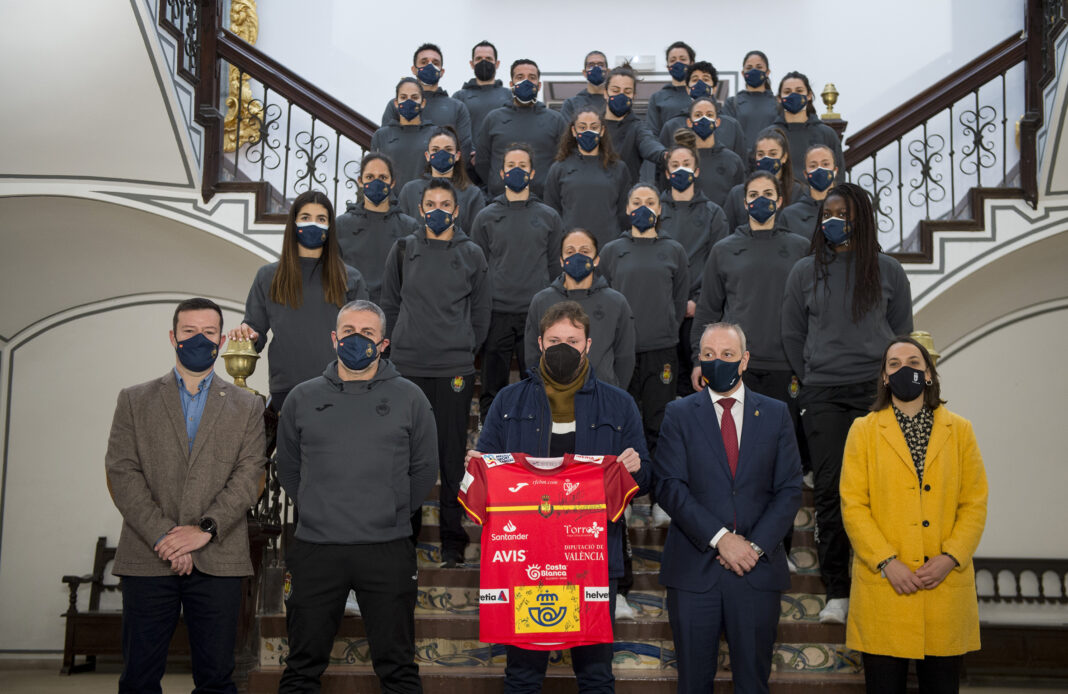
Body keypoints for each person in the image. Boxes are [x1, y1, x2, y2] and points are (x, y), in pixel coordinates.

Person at [472, 301, 652, 694]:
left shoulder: (619, 404)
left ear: (588, 344)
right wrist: (477, 467)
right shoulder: (507, 402)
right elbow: (486, 472)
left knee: (596, 675)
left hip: (592, 559)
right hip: (526, 564)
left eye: (572, 340)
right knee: (522, 675)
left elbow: (648, 478)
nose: (563, 347)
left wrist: (636, 467)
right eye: (554, 340)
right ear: (538, 343)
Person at [276, 300, 438, 694]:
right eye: (349, 332)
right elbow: (290, 471)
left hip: (386, 548)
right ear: (334, 338)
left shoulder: (411, 398)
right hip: (316, 548)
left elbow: (423, 473)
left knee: (398, 669)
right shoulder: (301, 397)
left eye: (367, 333)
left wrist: (391, 511)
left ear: (383, 343)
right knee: (300, 669)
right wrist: (318, 507)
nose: (357, 340)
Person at [105, 298, 266, 694]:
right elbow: (122, 473)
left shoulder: (248, 406)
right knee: (139, 679)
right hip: (148, 556)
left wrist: (204, 530)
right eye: (190, 331)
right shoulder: (134, 399)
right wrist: (165, 537)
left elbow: (249, 477)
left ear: (221, 339)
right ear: (173, 336)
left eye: (209, 333)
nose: (199, 339)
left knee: (216, 680)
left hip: (219, 557)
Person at [782, 182, 914, 624]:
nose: (832, 220)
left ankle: (878, 580)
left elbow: (901, 333)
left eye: (842, 212)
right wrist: (814, 371)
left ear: (861, 216)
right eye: (826, 214)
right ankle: (838, 590)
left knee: (880, 490)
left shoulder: (889, 270)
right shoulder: (804, 271)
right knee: (831, 490)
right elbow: (792, 334)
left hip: (875, 394)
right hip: (822, 394)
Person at [656, 321, 802, 694]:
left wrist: (752, 547)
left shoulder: (775, 413)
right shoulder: (679, 414)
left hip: (757, 570)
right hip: (693, 571)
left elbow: (788, 490)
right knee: (692, 684)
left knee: (753, 684)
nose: (716, 361)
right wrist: (721, 539)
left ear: (744, 360)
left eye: (726, 355)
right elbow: (671, 487)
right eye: (708, 355)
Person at [841, 336, 988, 694]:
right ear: (885, 378)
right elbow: (853, 504)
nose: (905, 369)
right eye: (894, 364)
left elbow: (975, 502)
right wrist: (887, 561)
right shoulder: (864, 430)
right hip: (886, 587)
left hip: (943, 588)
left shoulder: (961, 430)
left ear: (929, 374)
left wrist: (951, 557)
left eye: (914, 362)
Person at [690, 171, 810, 564]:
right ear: (744, 202)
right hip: (731, 368)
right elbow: (708, 309)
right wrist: (699, 357)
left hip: (783, 367)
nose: (760, 199)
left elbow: (810, 309)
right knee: (730, 461)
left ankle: (780, 547)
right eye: (753, 194)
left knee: (778, 465)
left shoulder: (799, 247)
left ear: (780, 200)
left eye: (768, 194)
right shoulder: (725, 249)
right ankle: (725, 542)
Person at [380, 178, 491, 568]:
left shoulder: (472, 253)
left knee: (449, 458)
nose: (438, 209)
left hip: (454, 369)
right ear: (420, 208)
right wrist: (394, 346)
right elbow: (390, 304)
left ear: (457, 211)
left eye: (446, 203)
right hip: (407, 366)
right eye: (431, 203)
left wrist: (463, 346)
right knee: (406, 455)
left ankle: (451, 542)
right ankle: (404, 537)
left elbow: (480, 312)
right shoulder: (403, 250)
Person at [232, 191, 368, 414]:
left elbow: (364, 336)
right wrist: (247, 334)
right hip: (286, 390)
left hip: (340, 388)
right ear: (293, 223)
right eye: (305, 217)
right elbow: (255, 330)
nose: (313, 224)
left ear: (330, 227)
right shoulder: (267, 276)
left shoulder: (351, 278)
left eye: (321, 219)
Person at [471, 143, 564, 417]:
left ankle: (535, 437)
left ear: (532, 172)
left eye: (522, 166)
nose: (516, 171)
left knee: (537, 384)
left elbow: (554, 267)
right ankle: (488, 436)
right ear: (501, 172)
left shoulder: (549, 217)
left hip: (535, 315)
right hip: (496, 313)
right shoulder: (486, 217)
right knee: (493, 386)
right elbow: (479, 269)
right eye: (511, 166)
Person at [599, 184, 689, 458]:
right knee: (620, 422)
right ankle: (623, 492)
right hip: (621, 350)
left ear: (659, 210)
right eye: (636, 202)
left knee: (658, 422)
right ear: (627, 209)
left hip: (661, 349)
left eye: (650, 202)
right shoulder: (612, 251)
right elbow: (604, 298)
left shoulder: (674, 250)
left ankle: (659, 495)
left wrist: (666, 329)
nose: (643, 207)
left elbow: (679, 299)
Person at [659, 133, 730, 398]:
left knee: (700, 389)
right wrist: (676, 303)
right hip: (663, 313)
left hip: (700, 312)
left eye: (686, 163)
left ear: (697, 170)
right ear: (667, 172)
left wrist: (698, 302)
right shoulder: (654, 212)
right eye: (675, 165)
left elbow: (719, 264)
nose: (681, 169)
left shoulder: (714, 213)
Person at [524, 229, 636, 389]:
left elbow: (625, 356)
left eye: (584, 251)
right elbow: (532, 354)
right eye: (570, 251)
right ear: (561, 260)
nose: (577, 256)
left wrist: (614, 393)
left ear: (596, 259)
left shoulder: (616, 302)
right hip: (553, 397)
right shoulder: (541, 300)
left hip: (602, 396)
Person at [476, 59, 569, 198]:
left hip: (543, 203)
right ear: (511, 84)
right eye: (520, 77)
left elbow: (564, 161)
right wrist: (497, 183)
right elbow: (482, 162)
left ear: (539, 85)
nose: (526, 81)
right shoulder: (493, 119)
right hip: (500, 202)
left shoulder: (556, 120)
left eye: (532, 77)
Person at [336, 153, 420, 305]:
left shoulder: (409, 227)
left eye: (382, 177)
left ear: (392, 182)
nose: (376, 182)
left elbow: (415, 278)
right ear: (360, 181)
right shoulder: (341, 225)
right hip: (352, 311)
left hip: (395, 313)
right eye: (369, 177)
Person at [544, 108, 631, 249]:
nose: (588, 131)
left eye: (594, 127)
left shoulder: (618, 168)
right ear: (574, 131)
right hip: (572, 248)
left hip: (609, 246)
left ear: (602, 131)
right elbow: (552, 212)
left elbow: (624, 213)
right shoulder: (559, 168)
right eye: (582, 127)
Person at [380, 43, 473, 157]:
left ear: (442, 71)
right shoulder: (396, 105)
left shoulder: (457, 107)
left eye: (435, 63)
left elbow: (464, 151)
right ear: (414, 69)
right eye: (424, 62)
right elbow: (384, 145)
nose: (430, 66)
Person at [397, 125, 486, 228]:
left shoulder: (472, 194)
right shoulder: (410, 191)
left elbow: (476, 236)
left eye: (448, 149)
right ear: (427, 156)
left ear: (457, 156)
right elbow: (401, 231)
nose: (441, 154)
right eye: (435, 150)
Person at [657, 62, 747, 163]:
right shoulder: (671, 126)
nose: (700, 83)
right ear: (687, 89)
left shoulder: (732, 126)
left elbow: (742, 166)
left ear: (715, 88)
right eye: (695, 80)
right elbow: (663, 167)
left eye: (706, 79)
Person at [723, 126, 805, 231]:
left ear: (784, 157)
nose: (766, 159)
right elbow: (727, 234)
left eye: (773, 154)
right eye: (761, 154)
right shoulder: (737, 194)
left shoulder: (799, 192)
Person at [772, 71, 845, 185]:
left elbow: (838, 177)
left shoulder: (826, 134)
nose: (793, 95)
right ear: (779, 98)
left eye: (799, 91)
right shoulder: (769, 135)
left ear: (809, 95)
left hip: (819, 200)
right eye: (787, 92)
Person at [602, 64, 668, 185]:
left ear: (634, 96)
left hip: (625, 197)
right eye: (615, 90)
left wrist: (665, 155)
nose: (621, 95)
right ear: (605, 93)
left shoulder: (638, 127)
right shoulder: (593, 125)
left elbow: (649, 144)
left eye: (627, 92)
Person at [370, 77, 436, 193]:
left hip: (425, 203)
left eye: (414, 97)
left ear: (423, 102)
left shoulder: (435, 134)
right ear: (396, 103)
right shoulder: (381, 135)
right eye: (403, 97)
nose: (408, 101)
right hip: (390, 204)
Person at [677, 99, 746, 208]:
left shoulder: (733, 160)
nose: (704, 119)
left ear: (717, 122)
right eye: (698, 115)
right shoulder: (679, 161)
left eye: (709, 115)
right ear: (689, 122)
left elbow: (739, 201)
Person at [454, 40, 512, 147]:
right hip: (468, 160)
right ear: (472, 64)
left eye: (489, 59)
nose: (484, 62)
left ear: (497, 64)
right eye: (479, 59)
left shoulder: (509, 96)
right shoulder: (459, 97)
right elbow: (454, 132)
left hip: (501, 159)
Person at [778, 143, 838, 239]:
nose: (819, 169)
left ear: (835, 170)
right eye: (813, 165)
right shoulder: (789, 215)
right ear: (805, 174)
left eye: (825, 164)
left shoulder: (852, 208)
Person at [722, 50, 778, 151]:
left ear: (767, 72)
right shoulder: (732, 103)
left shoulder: (778, 103)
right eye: (749, 68)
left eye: (759, 67)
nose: (754, 71)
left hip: (770, 160)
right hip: (741, 162)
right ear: (743, 73)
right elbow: (727, 137)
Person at [645, 41, 696, 139]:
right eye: (673, 60)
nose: (678, 63)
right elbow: (652, 134)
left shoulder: (701, 94)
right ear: (668, 67)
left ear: (692, 63)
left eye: (683, 59)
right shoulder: (657, 98)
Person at [559, 50, 609, 124]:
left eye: (600, 65)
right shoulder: (571, 104)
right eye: (591, 65)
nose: (596, 68)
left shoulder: (614, 103)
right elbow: (567, 133)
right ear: (584, 73)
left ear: (607, 72)